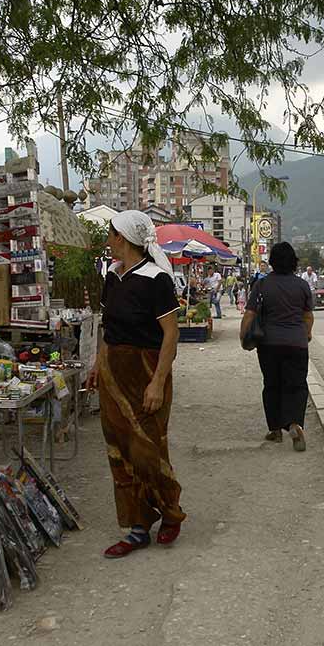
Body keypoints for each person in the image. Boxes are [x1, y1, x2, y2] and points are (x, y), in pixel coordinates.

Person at [97, 210, 186, 558]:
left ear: (123, 238)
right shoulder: (111, 276)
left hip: (147, 372)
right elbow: (108, 330)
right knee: (119, 449)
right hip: (113, 374)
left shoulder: (156, 279)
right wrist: (98, 365)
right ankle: (135, 528)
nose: (107, 240)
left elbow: (171, 335)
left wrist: (157, 383)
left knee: (148, 449)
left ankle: (169, 512)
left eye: (110, 234)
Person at [240, 242, 313, 452]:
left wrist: (243, 337)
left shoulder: (262, 285)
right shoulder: (302, 285)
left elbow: (250, 314)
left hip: (269, 344)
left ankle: (275, 430)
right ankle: (294, 424)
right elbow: (308, 316)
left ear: (272, 262)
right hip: (297, 344)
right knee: (297, 385)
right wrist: (306, 333)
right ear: (294, 262)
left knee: (272, 385)